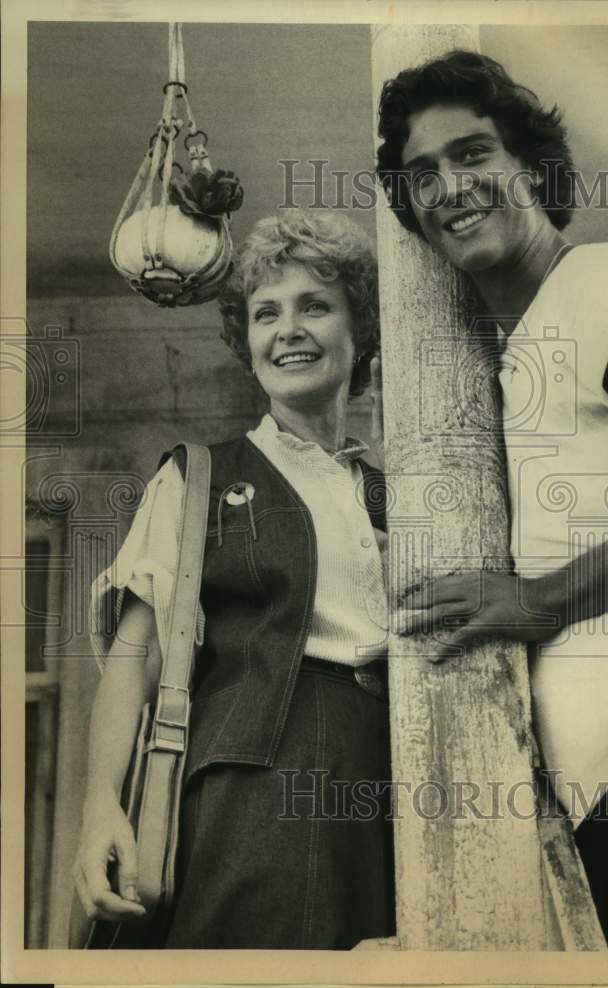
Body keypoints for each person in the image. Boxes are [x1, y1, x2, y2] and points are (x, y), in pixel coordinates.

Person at [375, 50, 608, 950]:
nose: (449, 187)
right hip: (604, 778)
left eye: (473, 154)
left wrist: (538, 599)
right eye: (422, 175)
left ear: (533, 168)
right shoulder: (526, 339)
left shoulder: (604, 279)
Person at [73, 209, 395, 949]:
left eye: (315, 306)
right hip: (255, 787)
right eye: (265, 313)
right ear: (244, 339)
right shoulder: (200, 477)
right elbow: (136, 655)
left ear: (362, 330)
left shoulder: (394, 490)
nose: (287, 329)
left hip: (388, 778)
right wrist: (100, 808)